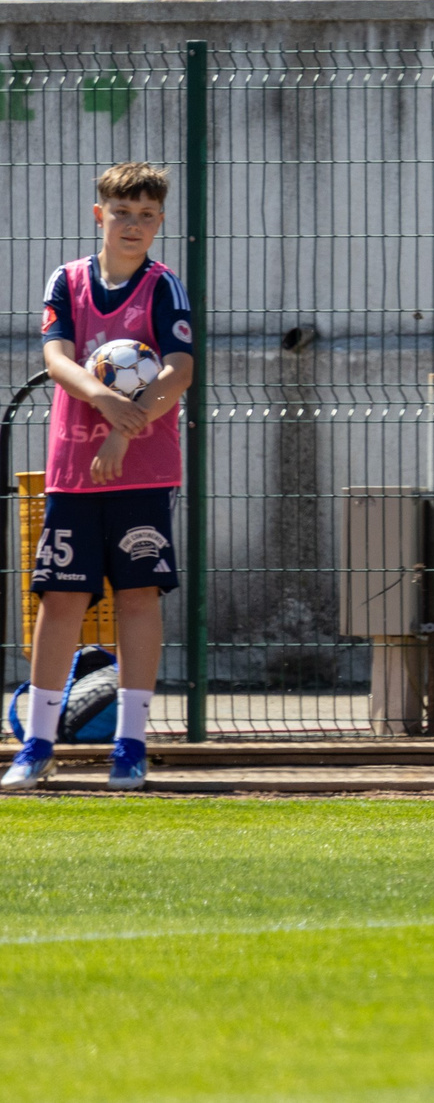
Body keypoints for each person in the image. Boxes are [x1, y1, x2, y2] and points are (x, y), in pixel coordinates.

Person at [1, 163, 194, 792]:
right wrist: (102, 398)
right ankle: (35, 746)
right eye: (122, 213)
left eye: (146, 215)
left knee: (138, 597)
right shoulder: (69, 280)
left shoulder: (165, 287)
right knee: (61, 600)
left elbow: (179, 369)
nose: (133, 224)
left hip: (142, 471)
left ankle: (131, 745)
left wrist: (121, 428)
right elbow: (56, 357)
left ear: (160, 221)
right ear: (99, 216)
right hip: (72, 474)